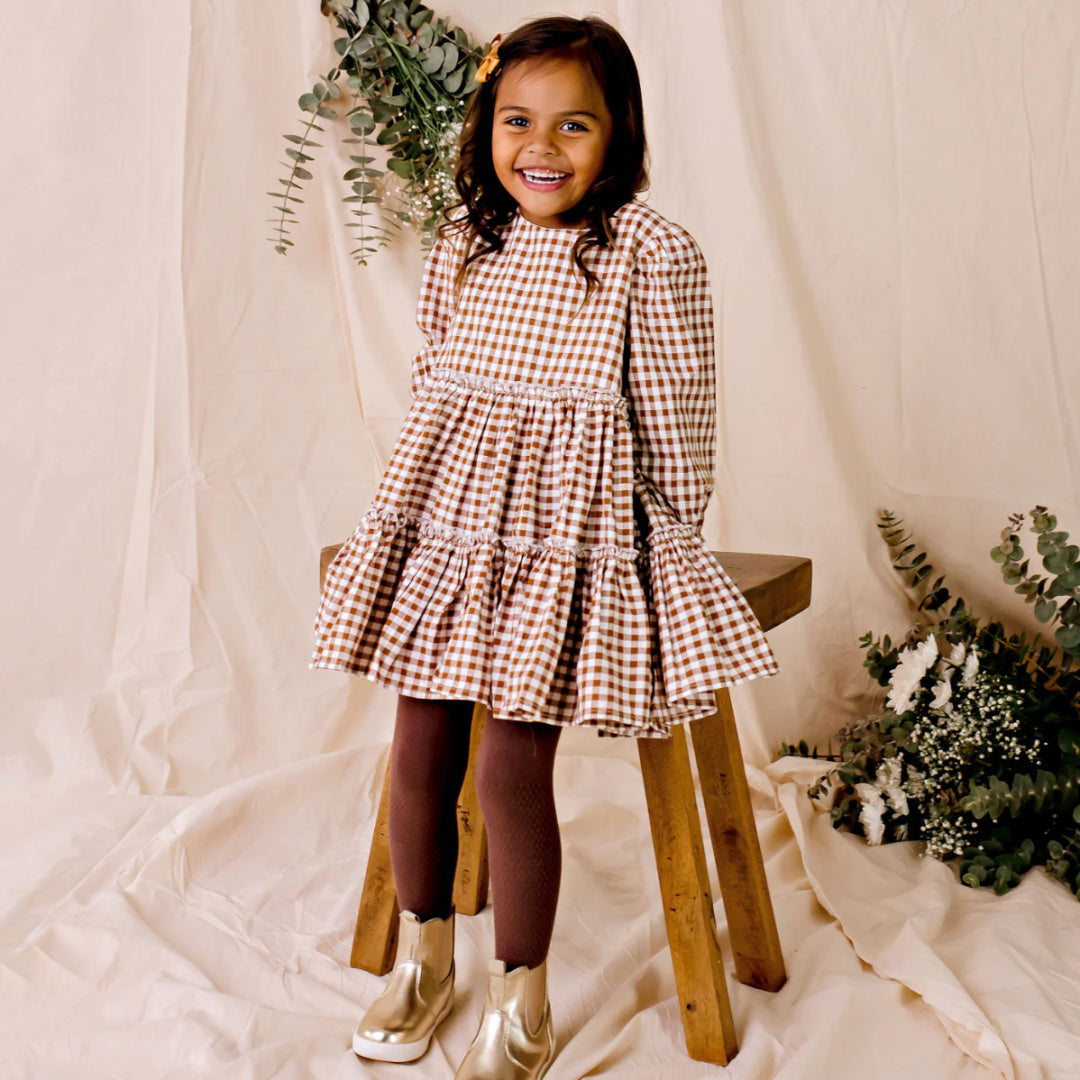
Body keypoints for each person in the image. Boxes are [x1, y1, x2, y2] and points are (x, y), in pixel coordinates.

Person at [309, 14, 779, 1079]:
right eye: (517, 121)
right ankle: (425, 954)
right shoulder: (466, 240)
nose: (541, 148)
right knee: (419, 744)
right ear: (485, 127)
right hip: (452, 522)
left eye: (574, 125)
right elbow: (434, 377)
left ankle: (521, 996)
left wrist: (663, 540)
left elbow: (677, 410)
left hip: (571, 533)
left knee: (513, 761)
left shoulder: (649, 252)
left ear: (620, 133)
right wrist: (416, 515)